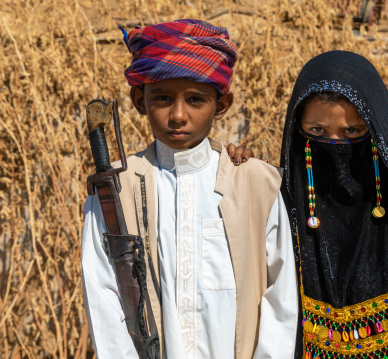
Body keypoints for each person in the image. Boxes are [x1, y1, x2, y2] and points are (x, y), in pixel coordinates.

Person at [81, 19, 298, 359]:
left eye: (196, 100)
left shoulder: (256, 184)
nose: (178, 115)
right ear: (140, 100)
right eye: (163, 98)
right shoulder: (114, 193)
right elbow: (102, 293)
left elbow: (281, 296)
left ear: (221, 106)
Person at [237, 50, 388, 358]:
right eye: (317, 131)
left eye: (352, 132)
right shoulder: (282, 198)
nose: (335, 144)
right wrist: (236, 168)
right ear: (297, 128)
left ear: (374, 130)